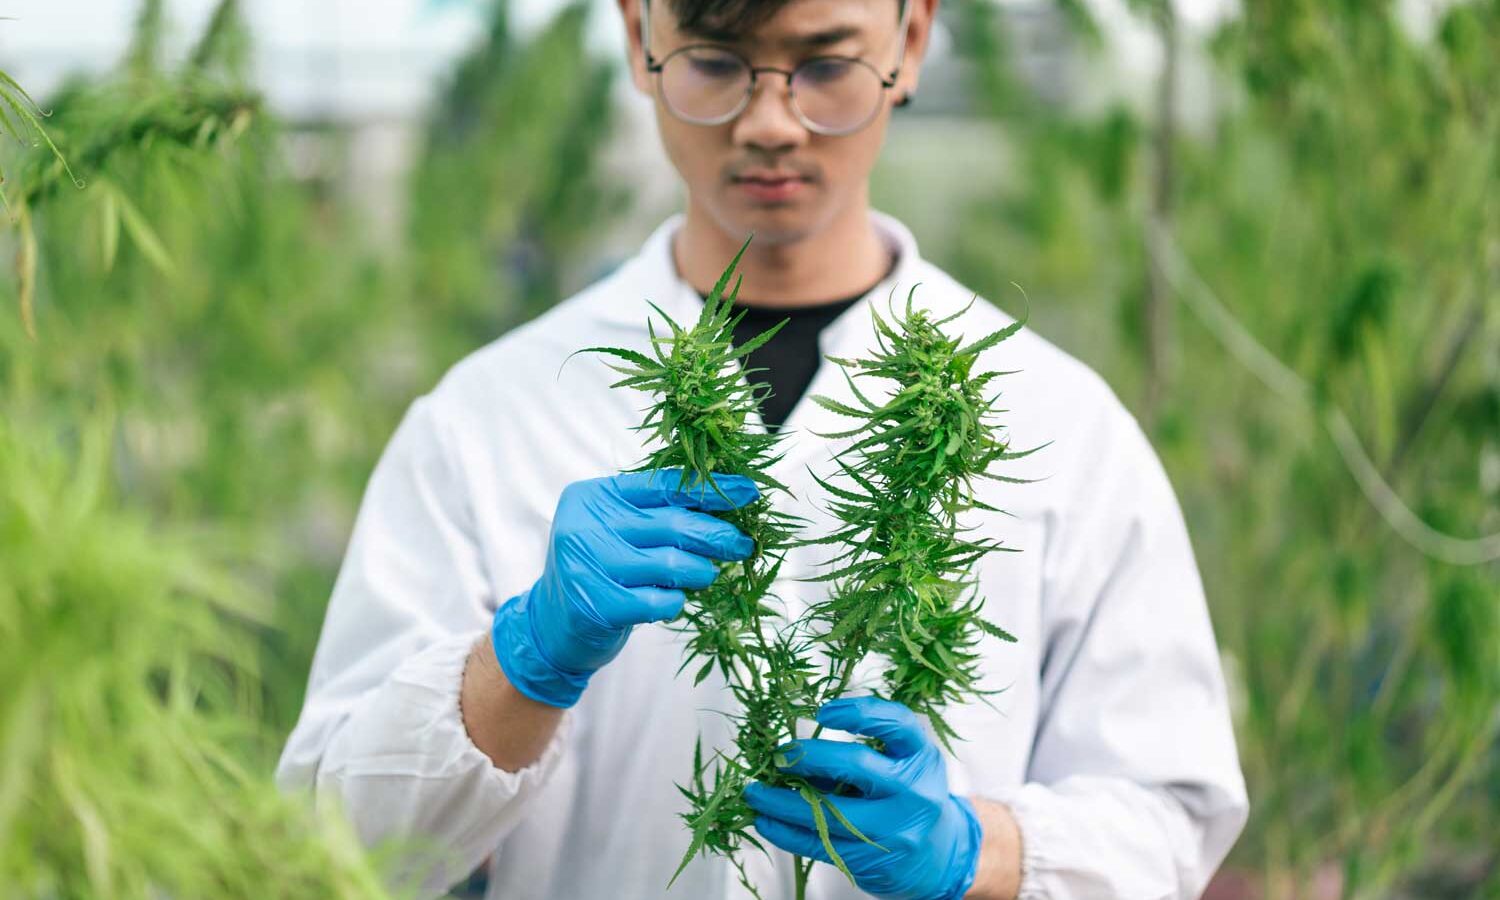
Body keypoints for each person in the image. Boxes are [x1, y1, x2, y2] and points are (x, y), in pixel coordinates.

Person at [276, 0, 1249, 897]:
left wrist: (971, 847)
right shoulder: (489, 421)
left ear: (909, 42)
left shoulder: (1057, 426)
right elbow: (338, 839)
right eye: (715, 62)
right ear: (636, 39)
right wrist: (522, 660)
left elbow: (1166, 819)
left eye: (824, 65)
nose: (771, 122)